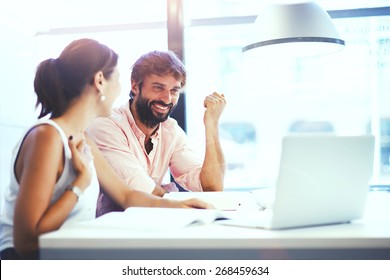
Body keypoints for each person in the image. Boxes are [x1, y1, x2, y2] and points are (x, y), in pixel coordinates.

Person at [0, 39, 212, 260]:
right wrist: (78, 185)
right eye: (118, 79)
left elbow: (127, 195)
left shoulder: (82, 138)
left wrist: (179, 207)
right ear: (100, 81)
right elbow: (26, 242)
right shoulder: (48, 137)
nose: (121, 89)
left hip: (67, 255)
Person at [87, 50, 226, 217]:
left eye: (174, 91)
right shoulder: (107, 124)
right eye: (158, 88)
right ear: (135, 86)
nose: (167, 99)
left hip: (152, 224)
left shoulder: (170, 130)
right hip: (110, 231)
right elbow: (141, 191)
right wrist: (185, 204)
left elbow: (212, 188)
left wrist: (211, 125)